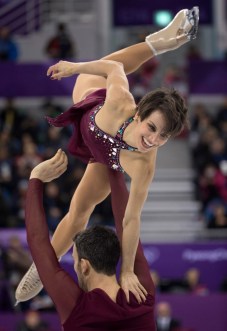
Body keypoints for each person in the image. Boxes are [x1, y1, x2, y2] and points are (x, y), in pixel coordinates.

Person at [16, 7, 199, 304]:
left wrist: (126, 270)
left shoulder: (144, 164)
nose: (153, 140)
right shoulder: (120, 101)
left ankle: (41, 267)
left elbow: (130, 220)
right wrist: (75, 67)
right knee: (111, 65)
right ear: (139, 115)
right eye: (152, 128)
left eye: (163, 137)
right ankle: (160, 43)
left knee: (80, 213)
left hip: (105, 155)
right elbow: (113, 69)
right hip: (93, 104)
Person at [19, 150, 156, 330]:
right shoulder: (140, 295)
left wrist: (36, 177)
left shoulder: (77, 306)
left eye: (75, 262)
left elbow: (38, 239)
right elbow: (126, 222)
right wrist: (34, 179)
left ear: (84, 265)